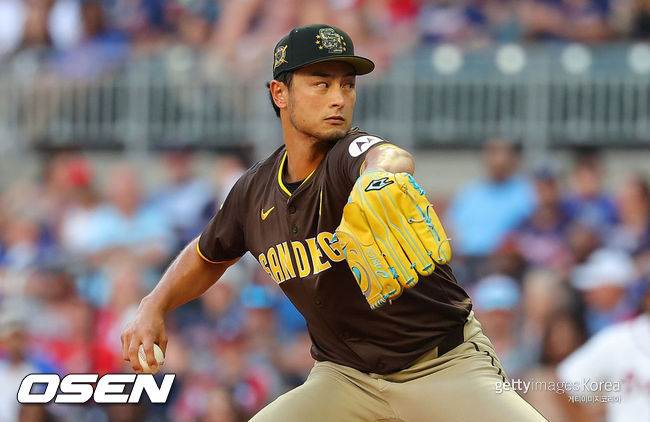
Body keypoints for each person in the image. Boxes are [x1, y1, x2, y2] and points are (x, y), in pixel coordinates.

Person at [121, 24, 547, 421]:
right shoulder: (253, 192)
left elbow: (388, 156)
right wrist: (153, 304)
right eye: (321, 83)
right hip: (345, 379)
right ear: (279, 93)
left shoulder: (349, 157)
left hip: (441, 367)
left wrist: (381, 176)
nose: (339, 97)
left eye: (347, 84)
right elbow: (207, 255)